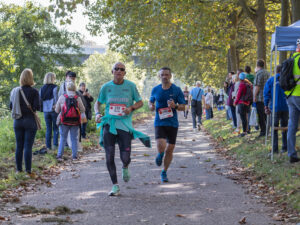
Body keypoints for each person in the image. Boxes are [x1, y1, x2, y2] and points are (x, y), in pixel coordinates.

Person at [94, 62, 150, 196]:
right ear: (112, 71)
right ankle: (115, 186)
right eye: (116, 69)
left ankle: (125, 166)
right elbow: (98, 103)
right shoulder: (106, 87)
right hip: (109, 124)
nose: (119, 71)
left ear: (125, 73)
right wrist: (97, 113)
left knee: (125, 157)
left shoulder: (130, 86)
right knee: (109, 156)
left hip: (125, 125)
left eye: (122, 69)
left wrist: (131, 108)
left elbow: (140, 102)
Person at [149, 67, 185, 182]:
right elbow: (151, 101)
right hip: (160, 122)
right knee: (161, 144)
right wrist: (151, 106)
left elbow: (183, 106)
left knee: (170, 149)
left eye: (166, 74)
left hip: (172, 123)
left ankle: (164, 171)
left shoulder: (176, 90)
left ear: (170, 76)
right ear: (159, 76)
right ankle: (160, 154)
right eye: (162, 75)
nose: (164, 76)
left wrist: (175, 106)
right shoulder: (155, 89)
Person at [10, 68, 40, 174]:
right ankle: (28, 170)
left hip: (18, 121)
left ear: (21, 78)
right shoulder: (34, 91)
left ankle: (18, 169)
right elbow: (37, 107)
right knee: (28, 146)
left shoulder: (15, 91)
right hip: (30, 121)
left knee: (19, 146)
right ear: (31, 78)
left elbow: (11, 106)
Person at [56, 81, 85, 161]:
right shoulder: (77, 98)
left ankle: (59, 156)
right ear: (75, 88)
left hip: (64, 121)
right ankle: (75, 156)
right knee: (74, 139)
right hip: (75, 122)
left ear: (67, 88)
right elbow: (83, 109)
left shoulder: (62, 97)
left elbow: (57, 110)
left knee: (63, 138)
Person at [263, 65, 288, 155]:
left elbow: (266, 94)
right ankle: (285, 147)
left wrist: (266, 106)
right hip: (286, 107)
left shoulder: (270, 80)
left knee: (274, 128)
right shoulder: (287, 80)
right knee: (285, 127)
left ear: (275, 71)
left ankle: (275, 148)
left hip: (275, 107)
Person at [284, 38, 300, 163]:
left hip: (290, 96)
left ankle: (292, 154)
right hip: (299, 94)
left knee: (292, 126)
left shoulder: (291, 59)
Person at [40, 72, 58, 150]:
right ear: (52, 78)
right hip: (53, 110)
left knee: (48, 129)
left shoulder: (42, 88)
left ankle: (48, 146)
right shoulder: (55, 87)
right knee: (55, 128)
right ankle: (55, 145)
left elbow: (40, 99)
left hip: (45, 111)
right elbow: (56, 99)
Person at [253, 59, 269, 138]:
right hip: (267, 97)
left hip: (260, 97)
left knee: (260, 115)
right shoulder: (267, 73)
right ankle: (267, 130)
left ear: (257, 65)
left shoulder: (258, 74)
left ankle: (263, 131)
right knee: (266, 114)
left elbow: (257, 86)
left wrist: (254, 96)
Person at [234, 72, 252, 137]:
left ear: (239, 78)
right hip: (247, 103)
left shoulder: (242, 84)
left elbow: (239, 95)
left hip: (241, 103)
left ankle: (244, 132)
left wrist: (235, 102)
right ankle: (247, 130)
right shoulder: (249, 84)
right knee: (246, 118)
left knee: (243, 118)